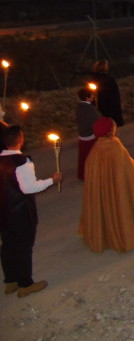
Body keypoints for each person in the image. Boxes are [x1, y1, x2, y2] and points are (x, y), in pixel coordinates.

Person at [0, 125, 61, 298]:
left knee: (8, 245)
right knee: (23, 247)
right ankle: (25, 284)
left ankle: (10, 280)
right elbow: (29, 188)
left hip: (3, 212)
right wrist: (52, 180)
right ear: (20, 140)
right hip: (20, 212)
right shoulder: (22, 162)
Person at [78, 117, 134, 254]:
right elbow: (127, 168)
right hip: (117, 189)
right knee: (120, 210)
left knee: (105, 208)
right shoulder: (115, 146)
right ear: (111, 130)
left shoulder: (96, 148)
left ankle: (104, 235)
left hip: (104, 189)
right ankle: (123, 237)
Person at [76, 86, 101, 180]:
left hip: (83, 135)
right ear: (87, 97)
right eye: (92, 95)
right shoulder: (89, 109)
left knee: (83, 156)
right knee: (92, 155)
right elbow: (95, 122)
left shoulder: (80, 107)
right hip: (90, 135)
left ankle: (83, 174)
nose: (93, 97)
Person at [91, 59, 124, 127]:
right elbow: (115, 96)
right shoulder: (109, 79)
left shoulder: (94, 79)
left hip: (100, 107)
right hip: (109, 107)